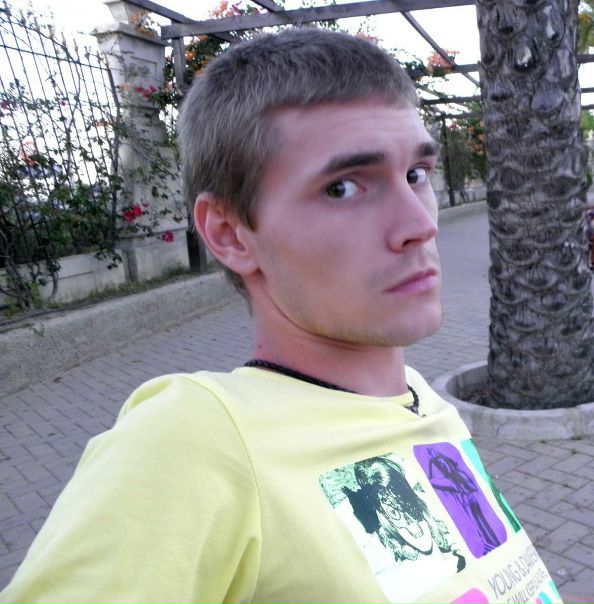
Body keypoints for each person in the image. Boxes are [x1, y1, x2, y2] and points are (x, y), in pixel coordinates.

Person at [1, 28, 563, 604]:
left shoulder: (421, 400)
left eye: (415, 174)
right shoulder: (196, 437)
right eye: (343, 188)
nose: (419, 224)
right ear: (230, 233)